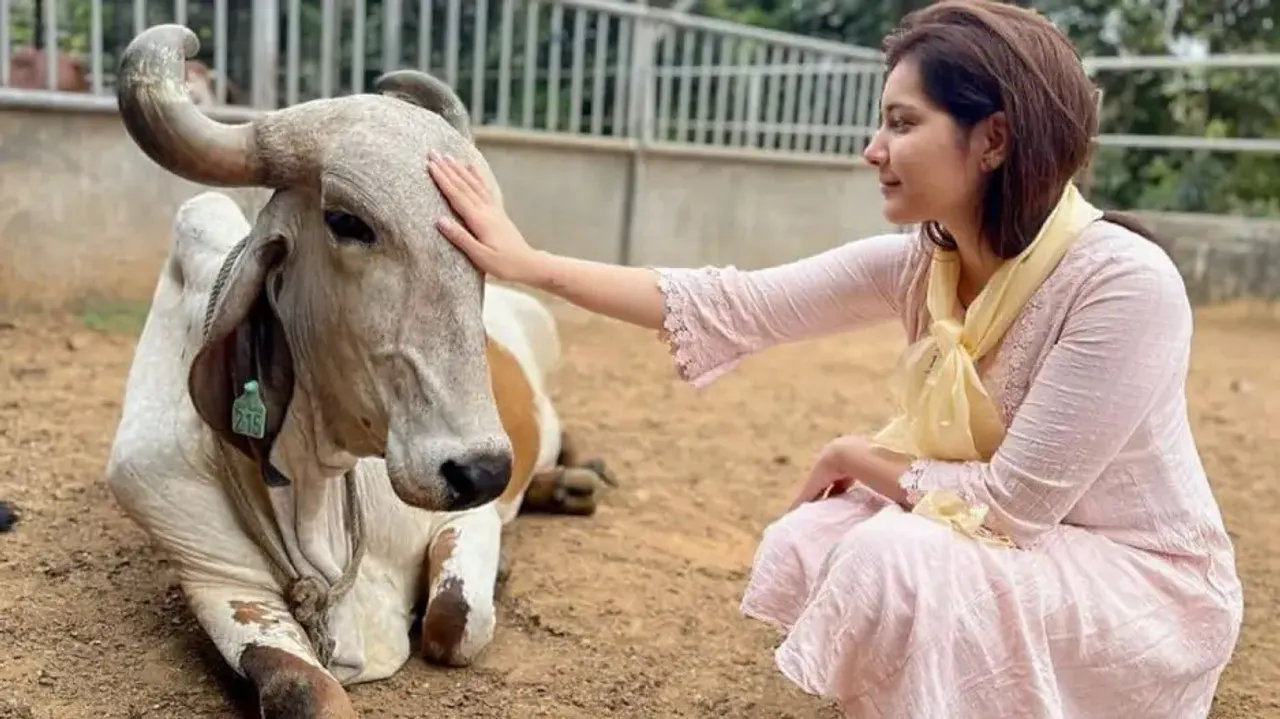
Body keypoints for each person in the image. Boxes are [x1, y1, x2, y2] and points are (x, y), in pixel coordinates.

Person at [425, 1, 1244, 715]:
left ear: (992, 139)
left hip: (1143, 590)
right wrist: (531, 264)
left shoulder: (1122, 284)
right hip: (1027, 555)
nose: (871, 149)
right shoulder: (926, 262)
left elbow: (1009, 511)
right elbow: (729, 302)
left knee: (897, 551)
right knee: (817, 535)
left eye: (901, 122)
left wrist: (856, 454)